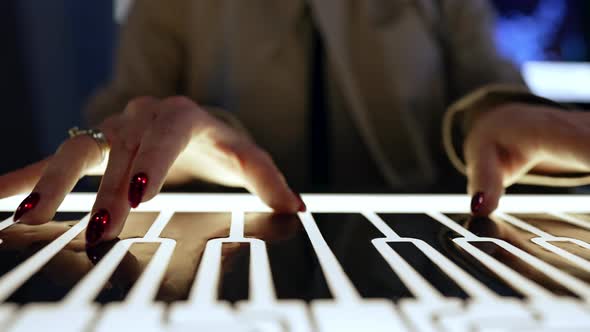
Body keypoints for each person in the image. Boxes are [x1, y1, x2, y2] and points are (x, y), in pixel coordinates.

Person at [1, 0, 590, 247]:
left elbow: (484, 84)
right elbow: (136, 110)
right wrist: (156, 146)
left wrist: (496, 114)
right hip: (221, 256)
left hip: (431, 257)